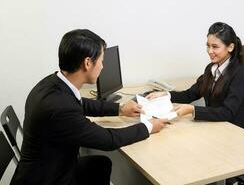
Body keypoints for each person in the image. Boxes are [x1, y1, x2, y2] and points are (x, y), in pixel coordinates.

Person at [10, 29, 168, 185]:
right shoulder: (60, 108)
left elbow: (80, 103)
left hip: (51, 166)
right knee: (100, 164)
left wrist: (119, 108)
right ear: (87, 63)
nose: (102, 67)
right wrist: (148, 127)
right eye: (101, 60)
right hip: (49, 179)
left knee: (100, 164)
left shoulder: (53, 83)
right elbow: (107, 140)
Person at [147, 22, 244, 128]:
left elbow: (227, 112)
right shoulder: (211, 69)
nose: (210, 51)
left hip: (233, 130)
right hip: (214, 126)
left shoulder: (240, 74)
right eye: (208, 46)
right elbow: (190, 94)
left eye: (215, 47)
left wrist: (192, 109)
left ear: (230, 47)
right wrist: (166, 95)